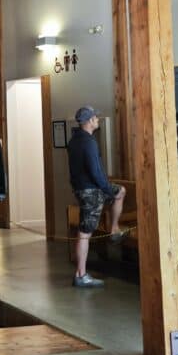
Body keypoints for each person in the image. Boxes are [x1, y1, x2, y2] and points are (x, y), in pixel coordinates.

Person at [67, 106, 126, 288]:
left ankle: (114, 229)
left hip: (83, 189)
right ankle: (81, 274)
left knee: (121, 191)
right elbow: (95, 171)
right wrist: (108, 188)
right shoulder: (89, 142)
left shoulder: (74, 141)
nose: (98, 120)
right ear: (90, 121)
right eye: (95, 118)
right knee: (84, 234)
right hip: (92, 191)